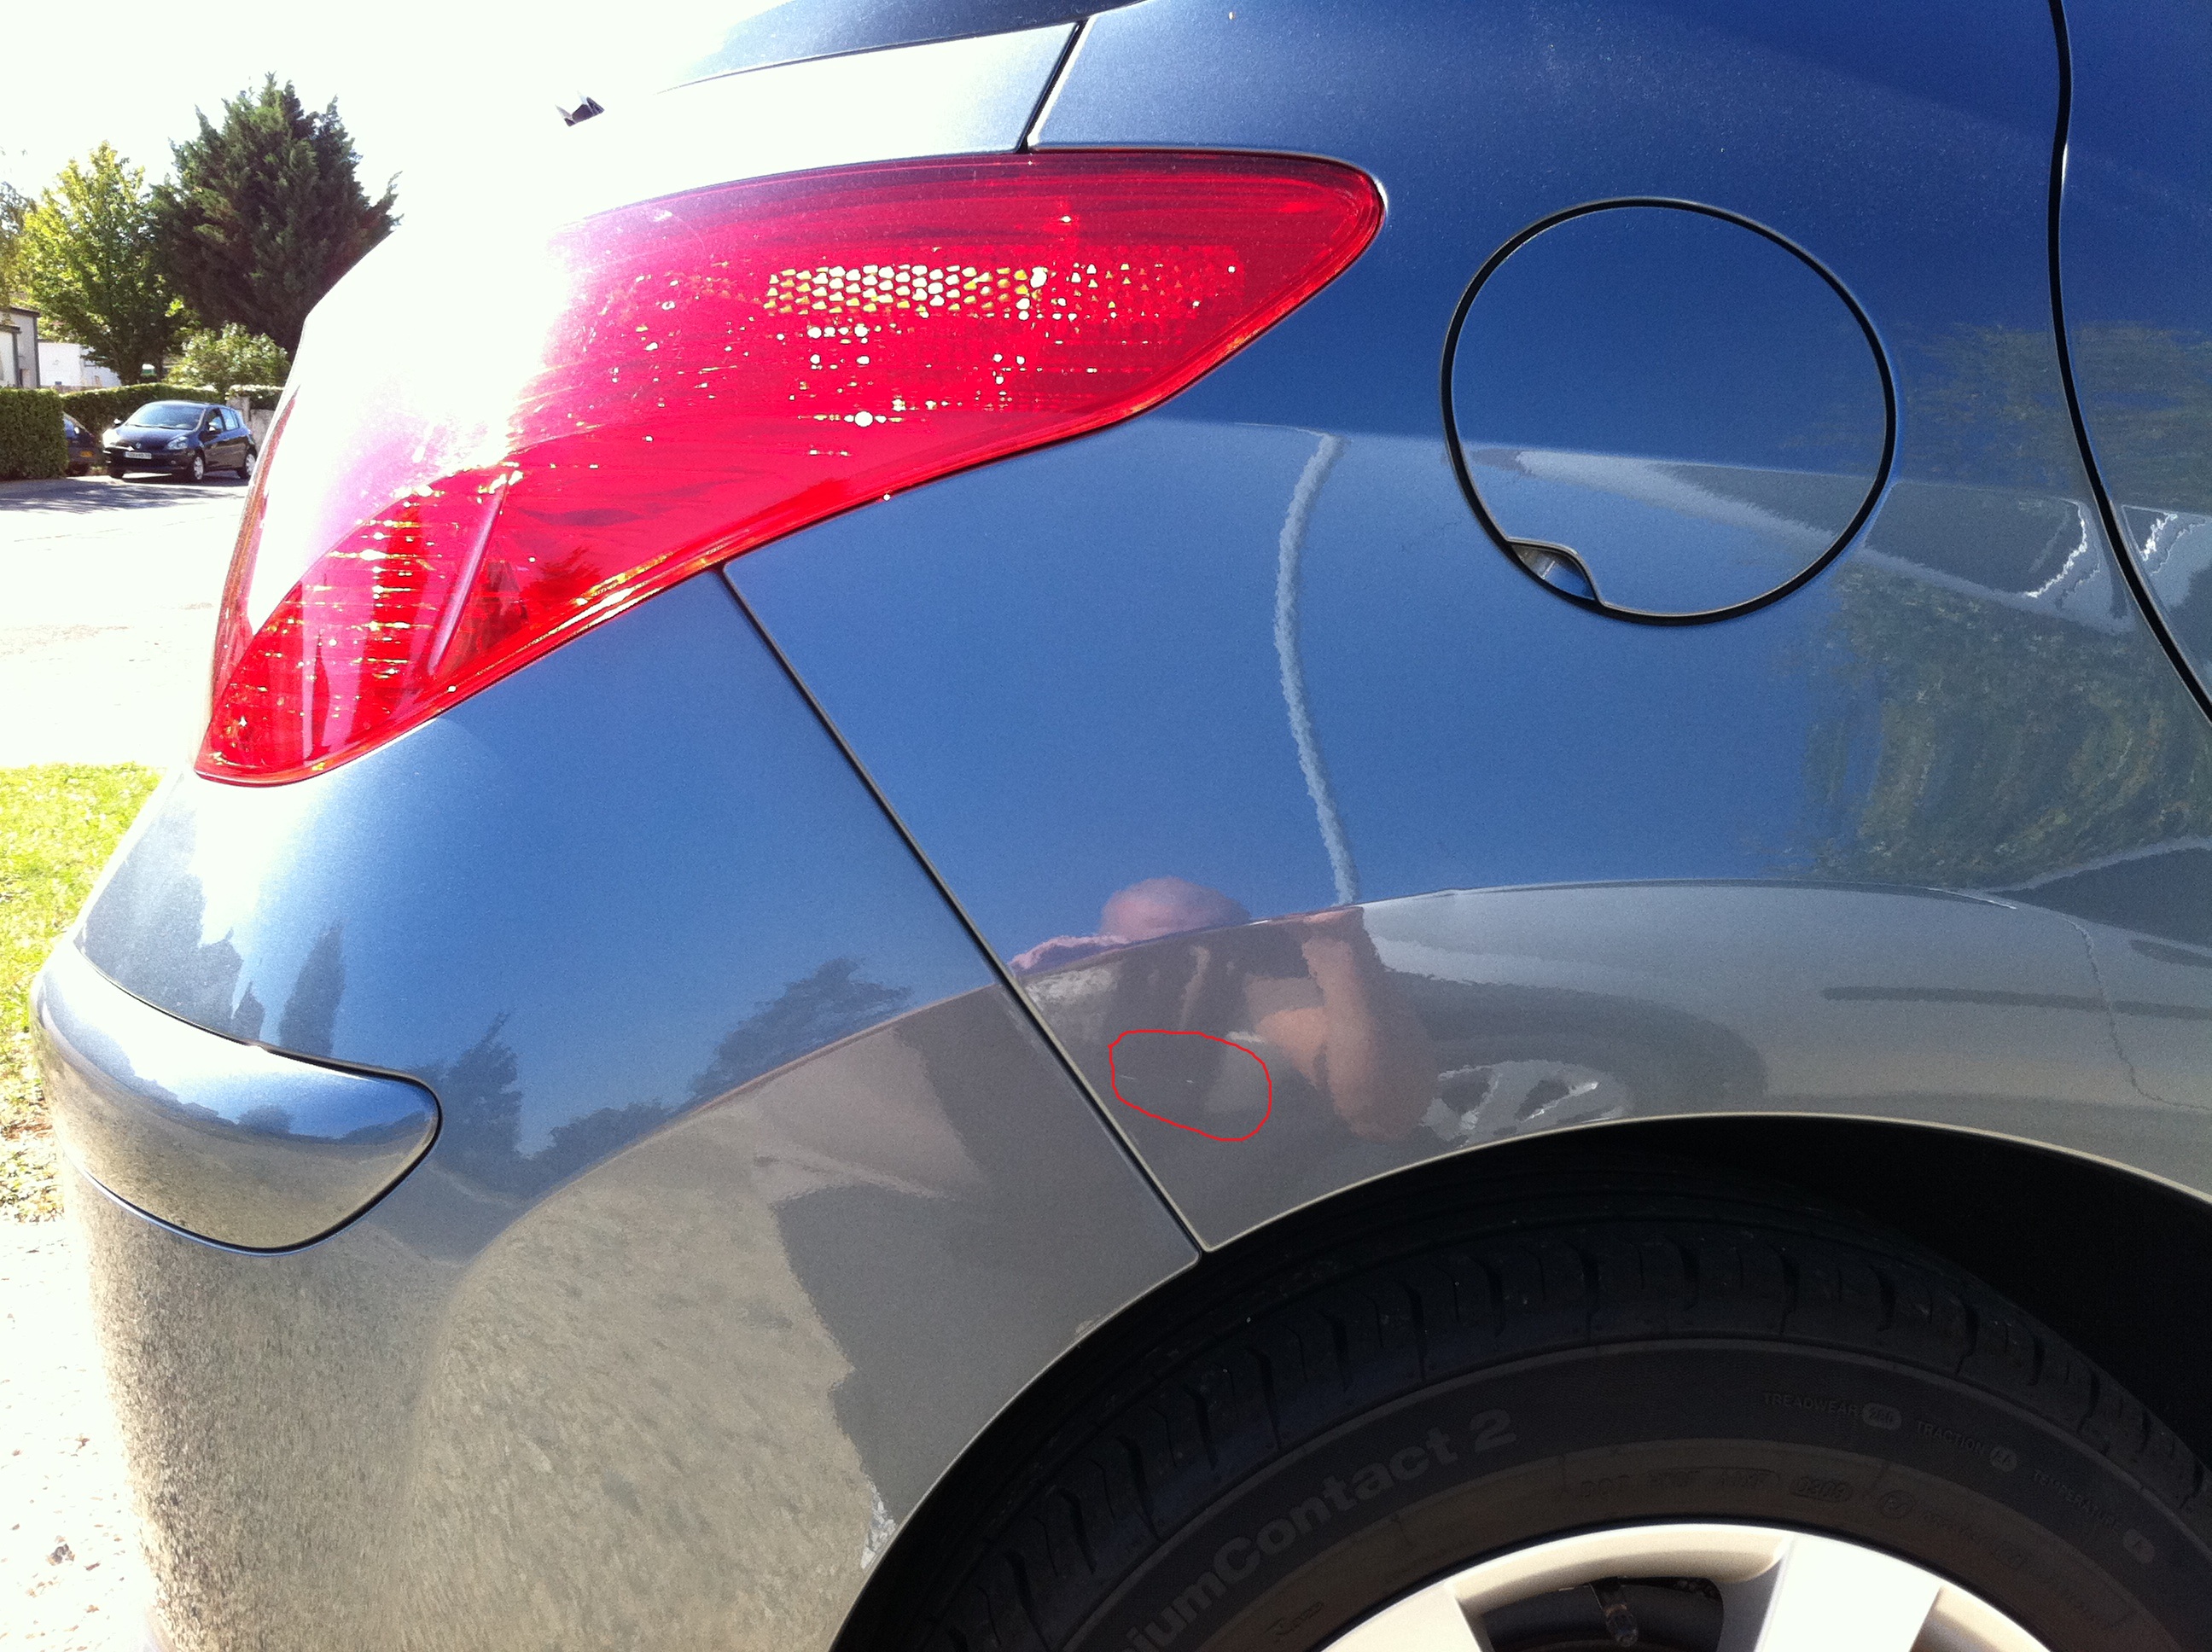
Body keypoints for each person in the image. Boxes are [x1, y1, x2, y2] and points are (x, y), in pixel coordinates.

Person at [1013, 877, 1435, 1143]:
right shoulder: (1037, 1006)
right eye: (1147, 953)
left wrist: (1337, 949)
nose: (1183, 966)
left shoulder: (1261, 986)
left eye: (1207, 947)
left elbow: (1382, 1111)